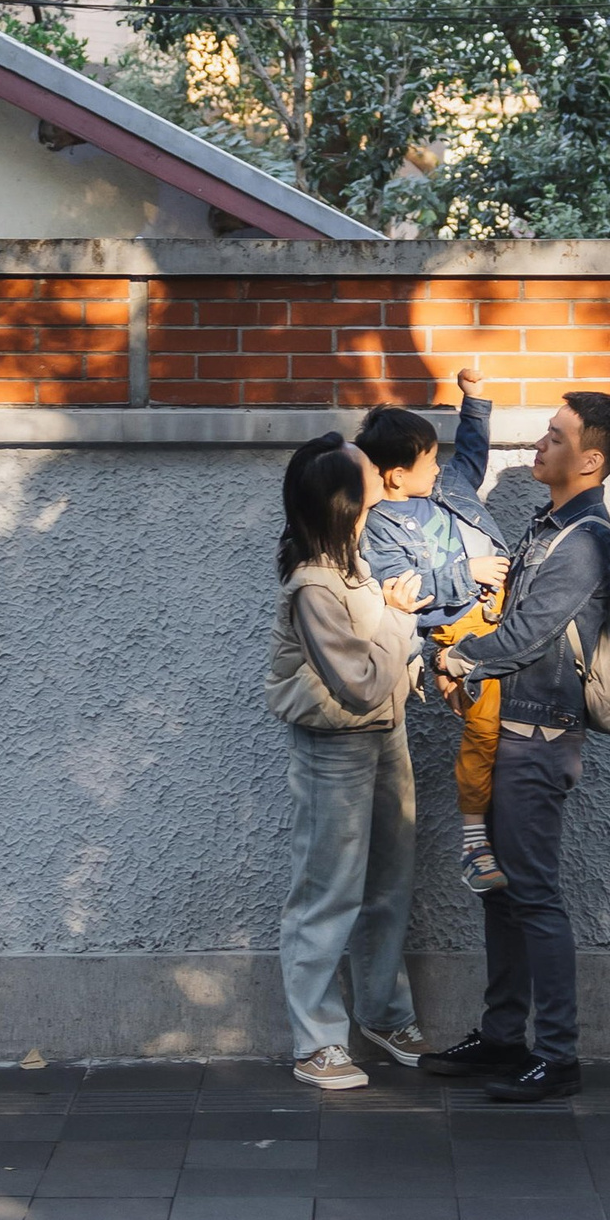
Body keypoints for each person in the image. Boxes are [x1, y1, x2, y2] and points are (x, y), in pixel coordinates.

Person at [420, 387, 610, 1104]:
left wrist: (457, 659)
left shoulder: (586, 539)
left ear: (591, 459)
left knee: (535, 895)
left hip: (538, 738)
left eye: (554, 437)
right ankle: (504, 1035)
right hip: (507, 728)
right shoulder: (547, 525)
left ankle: (559, 1055)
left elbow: (529, 631)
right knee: (503, 895)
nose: (538, 446)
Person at [266, 438, 428, 1089]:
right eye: (363, 470)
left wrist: (418, 658)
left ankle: (385, 1016)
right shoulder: (313, 585)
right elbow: (358, 680)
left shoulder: (354, 568)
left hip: (385, 739)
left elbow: (383, 667)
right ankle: (317, 1043)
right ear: (345, 498)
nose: (375, 472)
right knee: (326, 893)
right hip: (334, 747)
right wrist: (396, 621)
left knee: (389, 885)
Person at [358, 369, 512, 895]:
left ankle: (500, 817)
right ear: (397, 475)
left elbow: (470, 456)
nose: (438, 465)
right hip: (457, 635)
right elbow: (403, 592)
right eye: (427, 459)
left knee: (514, 727)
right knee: (486, 730)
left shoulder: (445, 486)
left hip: (501, 611)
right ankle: (474, 840)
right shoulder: (377, 525)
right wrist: (465, 575)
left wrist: (477, 401)